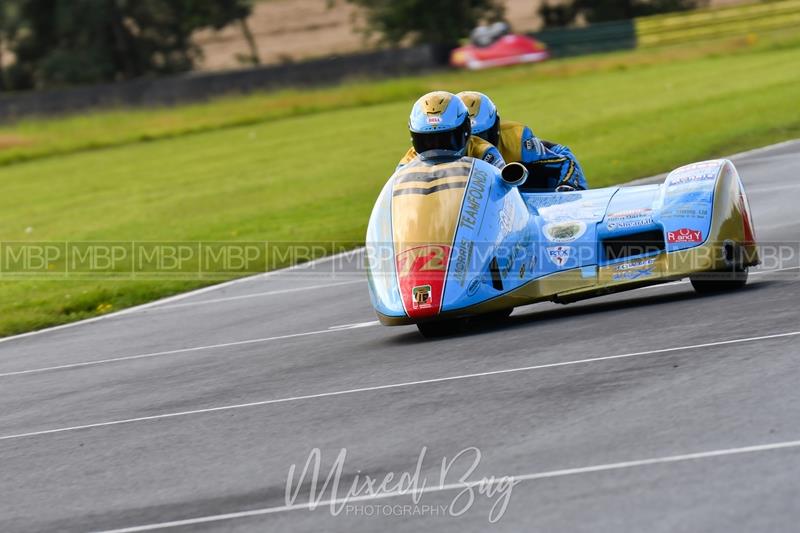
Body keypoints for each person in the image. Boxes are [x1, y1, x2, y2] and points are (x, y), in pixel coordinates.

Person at [457, 91, 588, 191]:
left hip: (545, 162)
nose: (476, 144)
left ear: (495, 128)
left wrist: (567, 186)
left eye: (481, 136)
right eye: (469, 138)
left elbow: (565, 162)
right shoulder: (445, 150)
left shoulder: (517, 139)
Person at [398, 91, 506, 170]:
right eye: (427, 141)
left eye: (446, 140)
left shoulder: (484, 151)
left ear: (466, 131)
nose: (438, 150)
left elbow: (503, 187)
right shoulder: (409, 160)